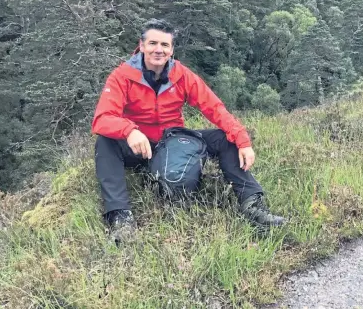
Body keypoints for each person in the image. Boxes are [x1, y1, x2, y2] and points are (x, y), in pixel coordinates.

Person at [92, 19, 285, 240]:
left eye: (165, 45)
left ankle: (252, 204)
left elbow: (214, 108)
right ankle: (120, 216)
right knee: (105, 141)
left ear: (172, 50)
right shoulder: (123, 76)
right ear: (142, 45)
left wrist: (243, 140)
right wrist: (129, 130)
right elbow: (102, 118)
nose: (159, 50)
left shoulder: (181, 75)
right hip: (138, 145)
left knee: (225, 139)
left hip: (172, 141)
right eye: (153, 43)